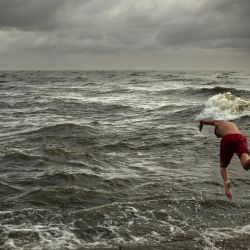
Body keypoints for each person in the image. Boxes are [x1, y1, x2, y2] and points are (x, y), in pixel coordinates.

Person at [199, 119, 250, 199]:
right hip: (240, 138)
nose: (218, 136)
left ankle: (227, 182)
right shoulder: (232, 124)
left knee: (223, 167)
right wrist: (201, 123)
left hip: (228, 139)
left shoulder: (217, 122)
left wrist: (200, 127)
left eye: (218, 136)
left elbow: (202, 120)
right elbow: (202, 121)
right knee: (246, 165)